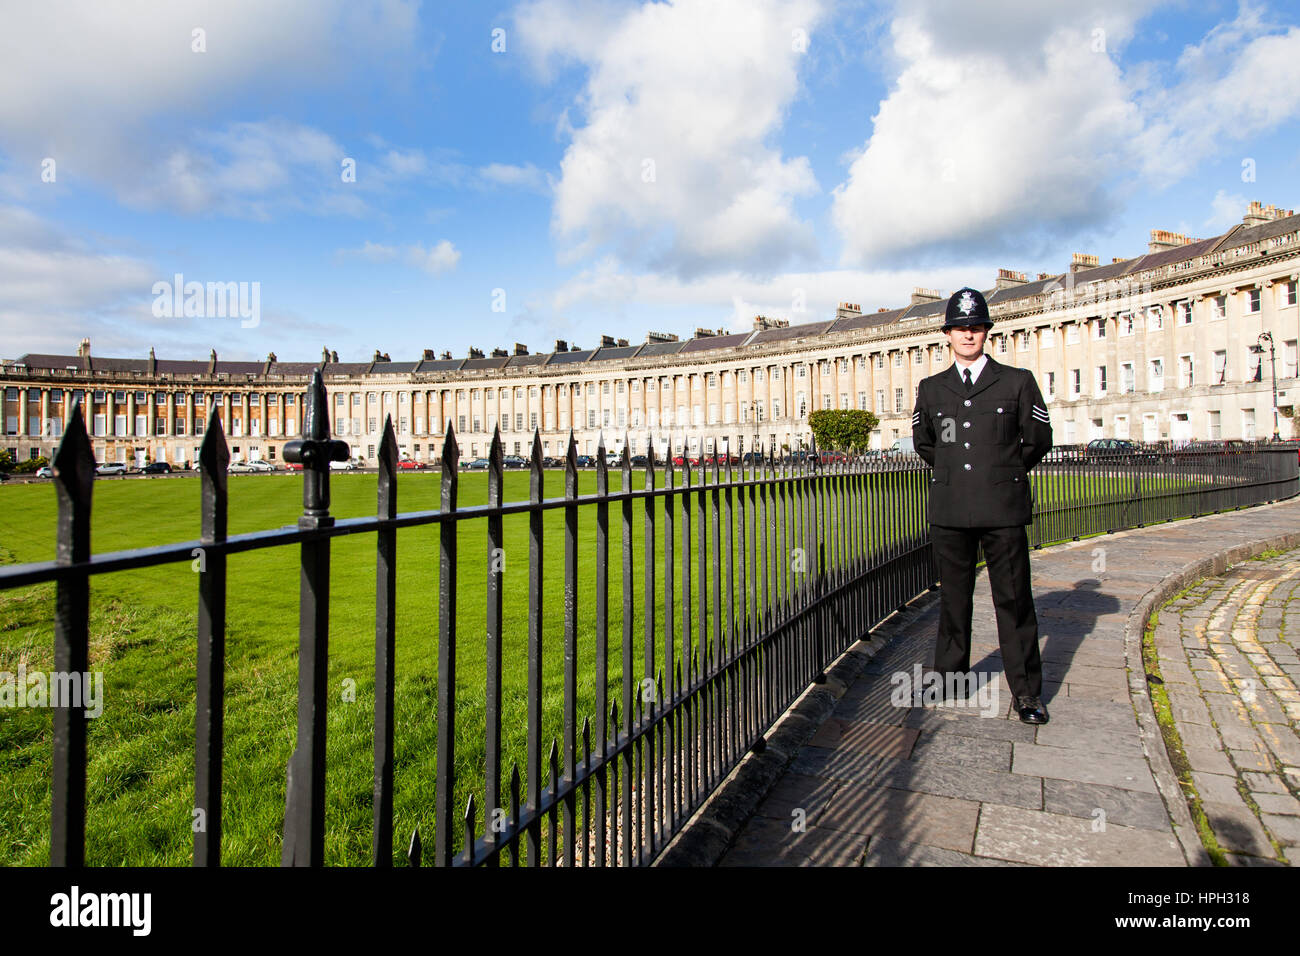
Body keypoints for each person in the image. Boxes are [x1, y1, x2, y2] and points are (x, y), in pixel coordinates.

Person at [911, 287, 1054, 724]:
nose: (968, 334)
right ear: (948, 334)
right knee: (954, 600)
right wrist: (961, 473)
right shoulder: (932, 388)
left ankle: (1027, 693)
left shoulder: (1017, 381)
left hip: (1003, 508)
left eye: (975, 327)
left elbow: (1037, 441)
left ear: (986, 332)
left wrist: (1001, 472)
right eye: (960, 328)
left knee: (1013, 600)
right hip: (952, 509)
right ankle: (949, 680)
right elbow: (926, 444)